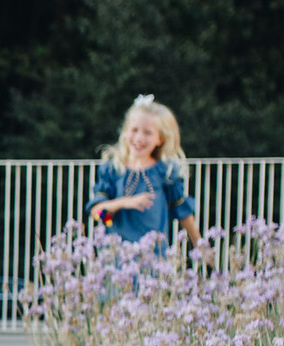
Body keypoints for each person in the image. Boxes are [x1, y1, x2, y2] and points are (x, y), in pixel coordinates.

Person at [85, 95, 200, 251]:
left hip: (154, 258)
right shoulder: (112, 170)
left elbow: (183, 213)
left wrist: (200, 246)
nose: (139, 138)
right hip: (117, 259)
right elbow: (98, 214)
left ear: (160, 139)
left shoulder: (165, 172)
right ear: (125, 131)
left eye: (148, 133)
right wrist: (123, 203)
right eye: (134, 130)